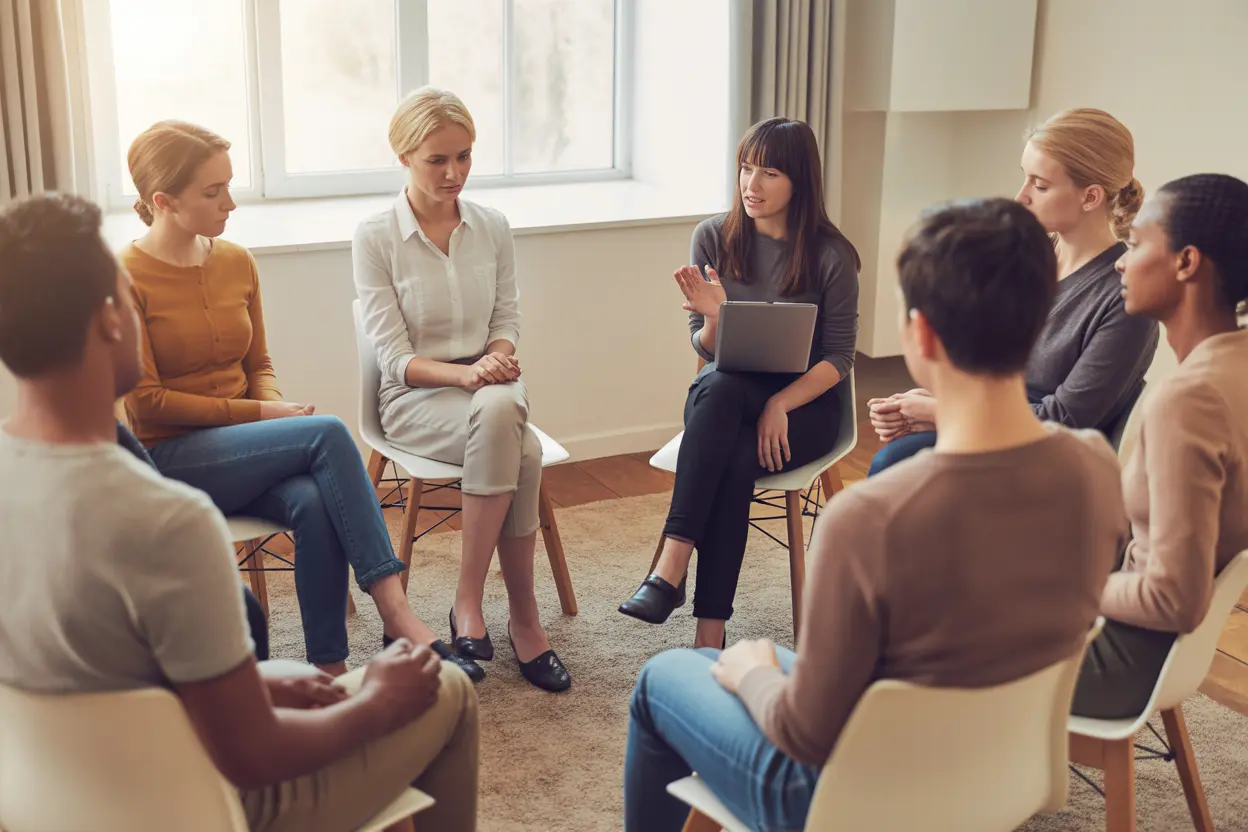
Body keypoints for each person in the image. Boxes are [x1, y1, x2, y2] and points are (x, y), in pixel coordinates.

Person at [623, 198, 1126, 832]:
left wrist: (754, 672)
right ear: (1037, 326)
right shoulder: (1096, 469)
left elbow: (803, 732)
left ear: (921, 336)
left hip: (852, 800)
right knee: (746, 661)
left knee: (667, 677)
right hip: (1002, 776)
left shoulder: (867, 519)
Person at [0, 193, 478, 832]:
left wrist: (259, 693)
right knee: (444, 691)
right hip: (194, 806)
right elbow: (254, 755)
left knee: (288, 665)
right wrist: (378, 704)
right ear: (111, 320)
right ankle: (395, 633)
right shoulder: (166, 520)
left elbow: (86, 662)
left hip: (64, 798)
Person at [118, 120, 483, 682]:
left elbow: (257, 366)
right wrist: (267, 417)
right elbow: (145, 405)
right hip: (170, 460)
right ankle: (397, 610)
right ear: (163, 201)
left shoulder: (236, 260)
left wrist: (274, 412)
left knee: (313, 501)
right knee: (330, 432)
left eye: (229, 185)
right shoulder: (125, 277)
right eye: (213, 192)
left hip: (244, 449)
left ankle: (330, 670)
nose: (231, 202)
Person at [352, 87, 569, 692]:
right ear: (404, 158)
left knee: (502, 416)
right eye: (437, 160)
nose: (454, 173)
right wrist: (467, 375)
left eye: (465, 157)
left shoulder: (492, 227)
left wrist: (494, 361)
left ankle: (468, 604)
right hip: (416, 400)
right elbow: (395, 359)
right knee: (520, 447)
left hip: (493, 386)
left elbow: (506, 322)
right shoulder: (375, 238)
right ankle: (523, 619)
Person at [617, 117, 860, 649]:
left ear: (800, 181)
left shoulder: (830, 255)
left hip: (807, 406)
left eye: (769, 172)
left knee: (728, 449)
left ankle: (680, 589)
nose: (751, 185)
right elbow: (704, 349)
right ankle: (696, 606)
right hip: (727, 396)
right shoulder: (712, 237)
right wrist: (714, 318)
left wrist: (780, 402)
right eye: (746, 169)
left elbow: (840, 357)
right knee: (720, 388)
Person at [868, 108, 1159, 474]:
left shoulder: (1125, 301)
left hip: (1049, 461)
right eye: (1025, 178)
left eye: (1040, 185)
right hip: (992, 423)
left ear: (1091, 197)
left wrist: (943, 412)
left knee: (894, 464)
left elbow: (1066, 421)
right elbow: (984, 365)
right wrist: (933, 402)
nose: (1021, 196)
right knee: (897, 461)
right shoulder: (1027, 256)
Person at [1073, 173, 1248, 718]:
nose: (1122, 263)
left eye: (1137, 244)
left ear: (1186, 262)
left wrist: (1065, 587)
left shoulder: (1190, 398)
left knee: (916, 623)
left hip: (1120, 660)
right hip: (1156, 653)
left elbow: (1172, 597)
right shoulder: (1233, 365)